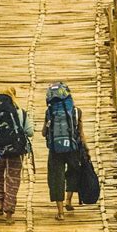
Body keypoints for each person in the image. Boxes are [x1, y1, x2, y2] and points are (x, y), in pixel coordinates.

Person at [0, 87, 34, 224]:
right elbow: (30, 132)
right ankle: (9, 213)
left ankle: (0, 205)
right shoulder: (21, 113)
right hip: (16, 151)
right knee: (12, 179)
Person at [42, 81, 87, 221]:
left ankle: (60, 212)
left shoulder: (49, 112)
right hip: (73, 148)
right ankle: (69, 200)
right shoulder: (76, 111)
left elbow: (44, 132)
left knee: (57, 178)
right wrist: (85, 148)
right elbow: (81, 133)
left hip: (55, 149)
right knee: (74, 172)